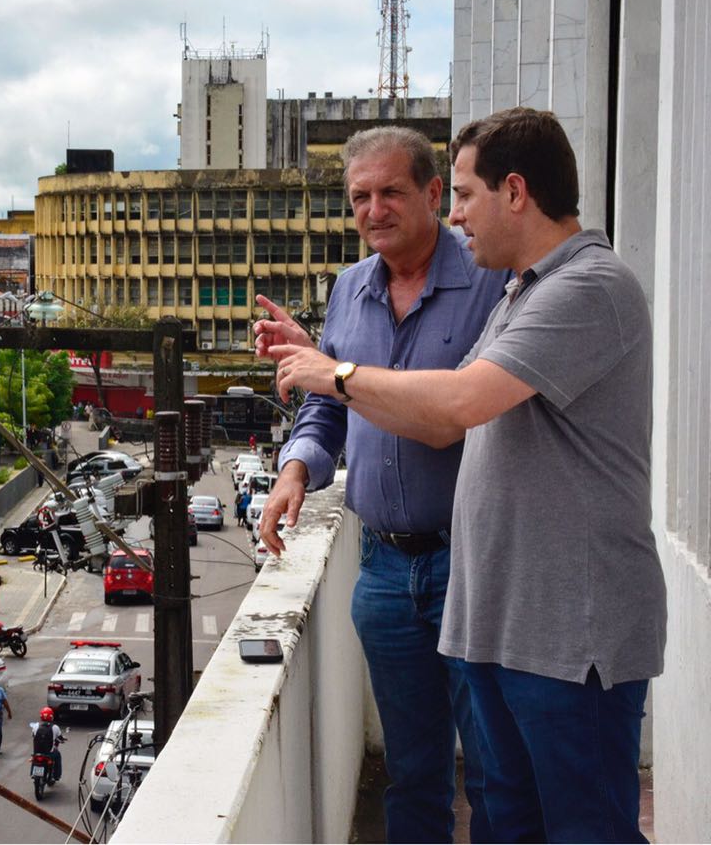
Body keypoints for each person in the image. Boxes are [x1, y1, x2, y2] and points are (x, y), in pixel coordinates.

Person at [269, 107, 666, 843]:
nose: (457, 215)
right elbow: (427, 415)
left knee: (583, 828)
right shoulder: (524, 291)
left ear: (514, 191)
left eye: (463, 195)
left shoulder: (588, 288)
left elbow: (456, 403)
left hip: (566, 630)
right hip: (502, 618)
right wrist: (325, 385)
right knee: (505, 821)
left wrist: (337, 372)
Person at [256, 125, 507, 843]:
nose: (374, 209)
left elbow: (450, 415)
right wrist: (297, 469)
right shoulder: (348, 290)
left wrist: (322, 370)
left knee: (491, 769)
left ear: (434, 193)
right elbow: (326, 404)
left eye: (392, 191)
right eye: (360, 196)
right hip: (385, 569)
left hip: (472, 561)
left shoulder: (488, 282)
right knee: (413, 767)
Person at [31, 706, 63, 782]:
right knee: (58, 755)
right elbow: (60, 738)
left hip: (37, 753)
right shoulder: (55, 727)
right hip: (49, 754)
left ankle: (32, 773)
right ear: (51, 717)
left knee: (34, 758)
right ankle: (56, 775)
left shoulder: (35, 726)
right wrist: (62, 739)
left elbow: (33, 735)